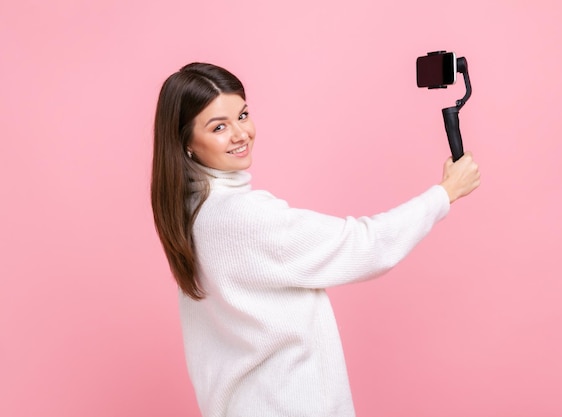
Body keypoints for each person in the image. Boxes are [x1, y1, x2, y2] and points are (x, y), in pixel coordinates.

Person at [151, 62, 480, 417]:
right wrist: (445, 193)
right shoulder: (242, 217)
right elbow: (364, 246)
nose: (240, 134)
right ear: (186, 143)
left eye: (243, 115)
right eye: (219, 127)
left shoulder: (193, 214)